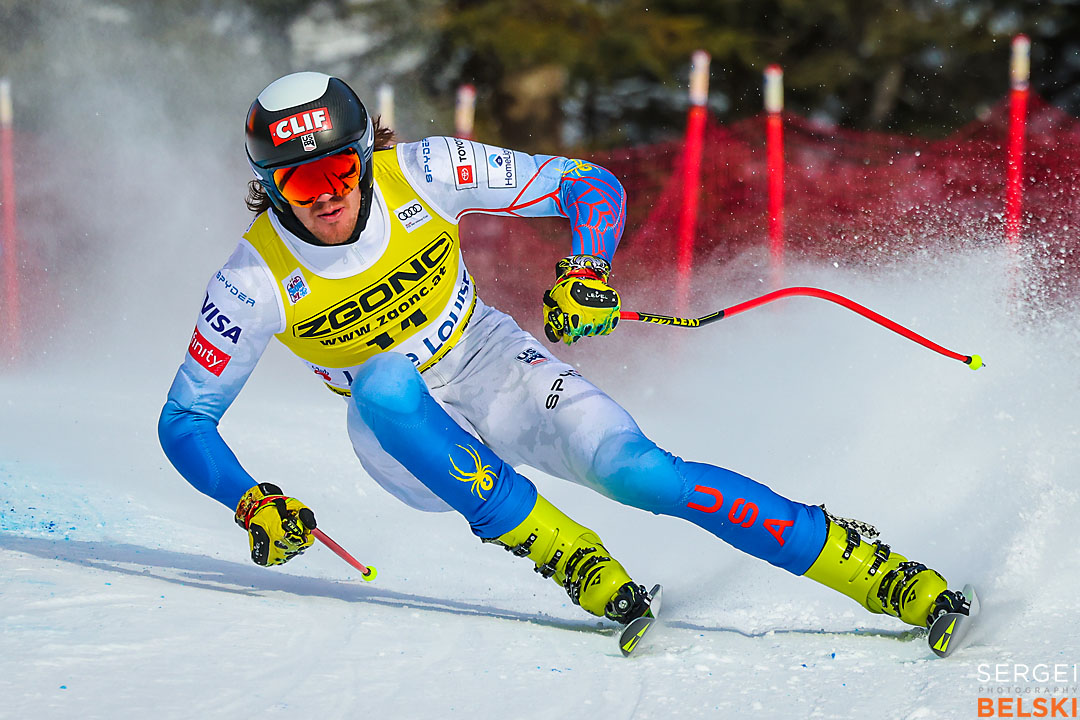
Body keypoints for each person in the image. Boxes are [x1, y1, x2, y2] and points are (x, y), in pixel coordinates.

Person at [159, 71, 970, 633]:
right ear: (270, 184)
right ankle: (564, 551)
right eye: (301, 183)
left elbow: (588, 184)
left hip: (489, 358)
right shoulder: (251, 281)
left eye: (340, 168)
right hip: (397, 435)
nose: (330, 194)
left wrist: (585, 268)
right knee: (382, 380)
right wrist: (250, 500)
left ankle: (874, 572)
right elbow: (185, 421)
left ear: (365, 152)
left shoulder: (425, 170)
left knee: (642, 473)